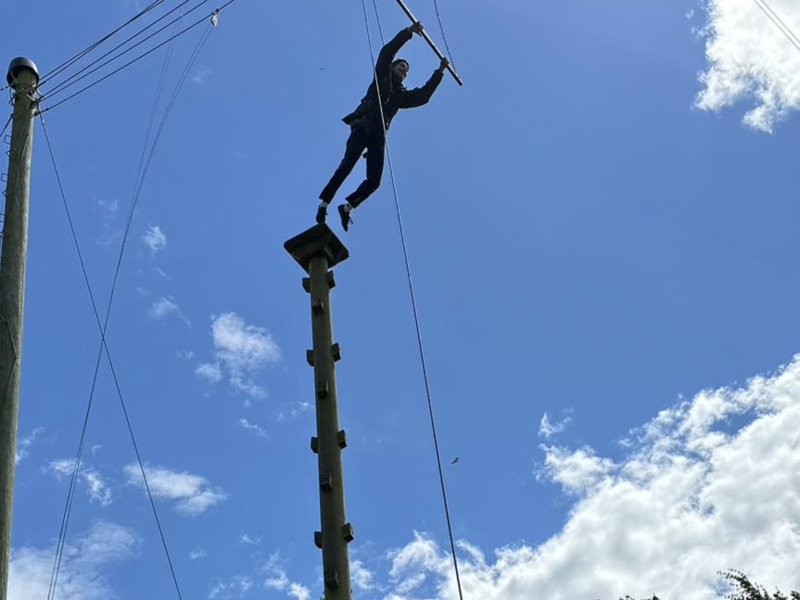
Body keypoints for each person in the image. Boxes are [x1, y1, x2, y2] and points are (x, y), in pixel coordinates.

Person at [317, 22, 449, 231]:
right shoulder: (382, 75)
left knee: (374, 180)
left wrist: (440, 71)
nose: (403, 71)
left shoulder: (401, 96)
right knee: (348, 163)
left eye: (406, 70)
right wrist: (407, 33)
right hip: (363, 125)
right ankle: (324, 204)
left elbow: (423, 96)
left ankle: (347, 207)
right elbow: (387, 52)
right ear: (393, 67)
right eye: (401, 66)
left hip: (378, 135)